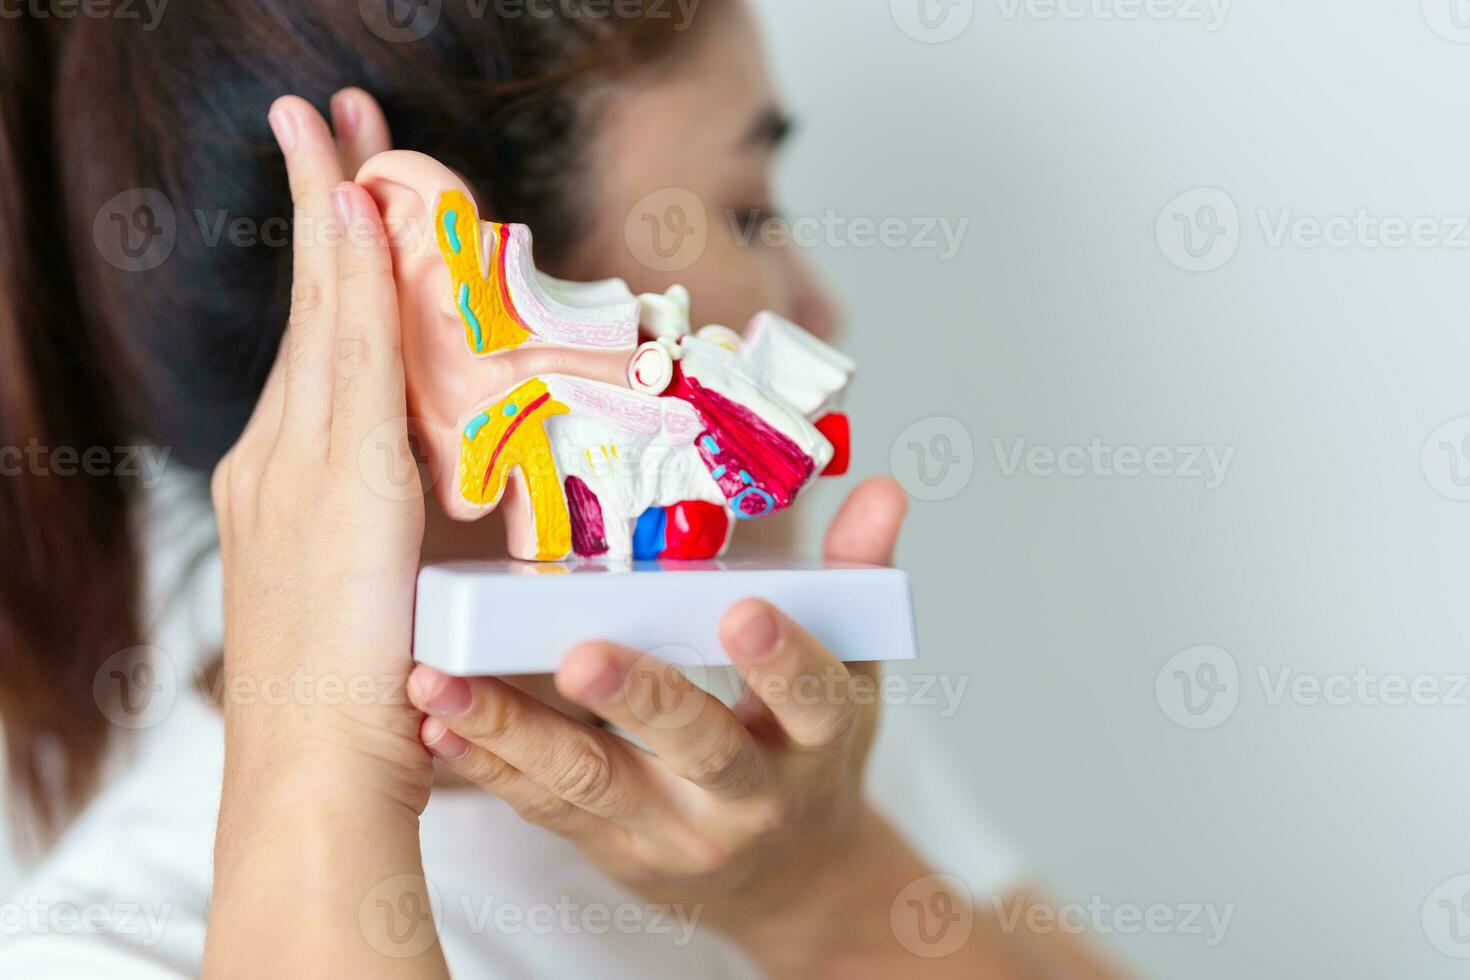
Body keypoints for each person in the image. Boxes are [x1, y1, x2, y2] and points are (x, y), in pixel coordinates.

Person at [0, 1, 1124, 976]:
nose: (822, 307)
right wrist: (315, 783)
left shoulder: (765, 730)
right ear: (419, 302)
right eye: (744, 209)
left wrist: (822, 889)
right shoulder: (110, 948)